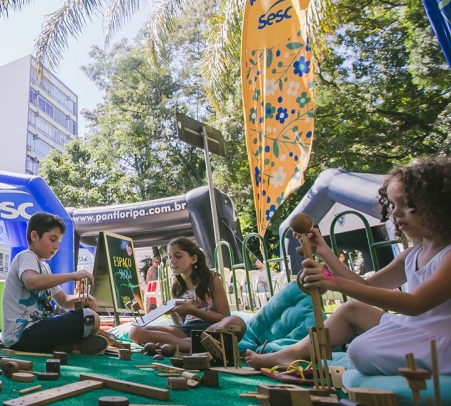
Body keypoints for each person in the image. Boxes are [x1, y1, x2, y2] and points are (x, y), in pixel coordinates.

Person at [247, 157, 451, 375]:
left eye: (407, 205)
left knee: (361, 350)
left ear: (438, 206)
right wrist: (324, 251)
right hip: (414, 329)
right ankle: (291, 354)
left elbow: (415, 304)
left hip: (439, 341)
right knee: (351, 310)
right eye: (393, 205)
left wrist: (336, 282)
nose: (395, 213)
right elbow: (367, 285)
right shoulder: (413, 254)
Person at [1, 212, 107, 354]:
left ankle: (64, 346)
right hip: (22, 334)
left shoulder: (45, 268)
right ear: (34, 236)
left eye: (59, 241)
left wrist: (83, 299)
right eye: (52, 239)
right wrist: (72, 275)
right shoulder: (27, 256)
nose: (56, 246)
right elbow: (31, 282)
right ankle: (69, 344)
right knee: (90, 318)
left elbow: (63, 301)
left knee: (90, 318)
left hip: (37, 332)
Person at [129, 237, 246, 352]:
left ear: (193, 259)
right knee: (135, 331)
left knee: (236, 322)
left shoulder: (211, 278)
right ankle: (193, 345)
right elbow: (181, 323)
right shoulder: (177, 286)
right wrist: (173, 312)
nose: (172, 261)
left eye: (178, 256)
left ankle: (187, 344)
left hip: (213, 328)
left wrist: (192, 310)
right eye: (169, 257)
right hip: (187, 330)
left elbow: (224, 316)